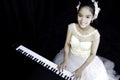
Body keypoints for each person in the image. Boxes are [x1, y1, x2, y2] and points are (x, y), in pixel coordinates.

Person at [53, 0, 120, 80]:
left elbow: (92, 54)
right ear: (77, 14)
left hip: (87, 62)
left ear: (93, 17)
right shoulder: (71, 27)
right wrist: (65, 60)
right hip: (70, 56)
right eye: (80, 15)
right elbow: (67, 43)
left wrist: (80, 70)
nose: (83, 20)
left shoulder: (95, 34)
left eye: (87, 17)